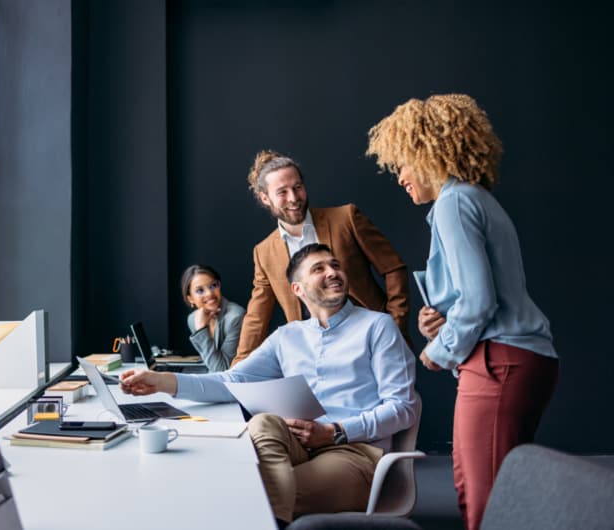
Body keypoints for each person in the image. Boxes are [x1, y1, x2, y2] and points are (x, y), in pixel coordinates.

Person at [366, 94, 559, 530]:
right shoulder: (475, 200)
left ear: (427, 154)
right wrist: (442, 323)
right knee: (494, 491)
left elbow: (479, 301)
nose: (400, 177)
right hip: (519, 358)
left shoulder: (453, 203)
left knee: (483, 501)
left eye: (402, 165)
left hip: (499, 361)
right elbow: (479, 296)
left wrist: (440, 350)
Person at [122, 244, 416, 526]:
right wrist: (163, 382)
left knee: (249, 495)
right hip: (298, 446)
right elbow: (231, 380)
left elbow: (404, 408)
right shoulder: (287, 336)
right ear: (297, 289)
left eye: (335, 265)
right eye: (319, 268)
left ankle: (271, 517)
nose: (332, 272)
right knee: (261, 423)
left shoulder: (378, 326)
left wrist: (335, 432)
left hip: (354, 451)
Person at [232, 150, 410, 367]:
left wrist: (395, 324)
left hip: (371, 340)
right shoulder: (264, 252)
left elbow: (393, 268)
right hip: (314, 355)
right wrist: (238, 367)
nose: (294, 198)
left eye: (297, 187)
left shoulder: (346, 218)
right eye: (282, 192)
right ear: (265, 198)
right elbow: (256, 318)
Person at [180, 264, 245, 371]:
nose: (209, 293)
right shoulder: (193, 319)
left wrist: (201, 330)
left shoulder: (235, 317)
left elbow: (222, 369)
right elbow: (209, 361)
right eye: (200, 290)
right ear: (190, 298)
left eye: (213, 285)